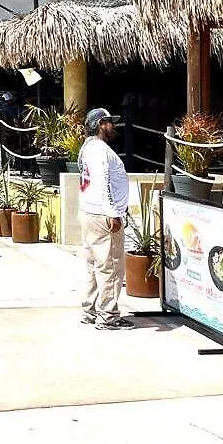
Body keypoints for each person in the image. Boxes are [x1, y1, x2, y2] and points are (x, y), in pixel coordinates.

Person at [78, 107, 132, 331]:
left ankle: (90, 310)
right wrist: (112, 213)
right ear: (101, 124)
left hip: (90, 213)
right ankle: (108, 316)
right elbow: (102, 183)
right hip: (102, 215)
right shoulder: (99, 150)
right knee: (110, 266)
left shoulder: (87, 148)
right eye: (110, 122)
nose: (114, 126)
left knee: (95, 265)